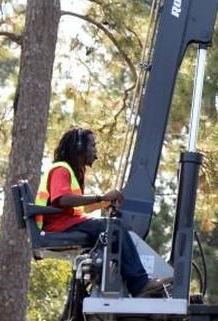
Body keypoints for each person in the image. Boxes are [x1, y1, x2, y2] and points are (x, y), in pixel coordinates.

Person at [36, 127, 165, 298]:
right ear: (80, 147)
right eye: (93, 146)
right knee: (114, 228)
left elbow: (78, 208)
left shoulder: (73, 172)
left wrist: (103, 202)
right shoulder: (61, 170)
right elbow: (62, 199)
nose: (96, 152)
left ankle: (129, 282)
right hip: (58, 227)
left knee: (112, 228)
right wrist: (100, 197)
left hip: (66, 224)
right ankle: (140, 284)